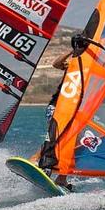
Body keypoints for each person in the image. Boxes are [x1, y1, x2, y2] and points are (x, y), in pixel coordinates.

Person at [37, 47, 75, 189]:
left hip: (74, 112)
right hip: (57, 106)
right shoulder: (74, 64)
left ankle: (62, 178)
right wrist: (72, 51)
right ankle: (39, 163)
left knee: (72, 143)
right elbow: (56, 64)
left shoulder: (93, 72)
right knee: (54, 137)